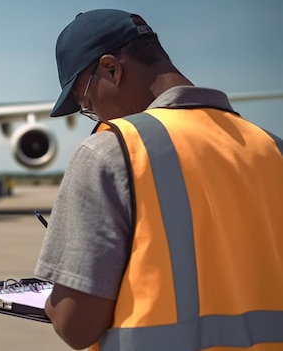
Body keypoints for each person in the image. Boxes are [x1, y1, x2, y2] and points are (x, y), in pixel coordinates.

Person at [34, 9, 283, 351]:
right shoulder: (273, 149)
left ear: (112, 69)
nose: (95, 117)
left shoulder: (112, 151)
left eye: (88, 104)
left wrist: (56, 298)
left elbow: (76, 327)